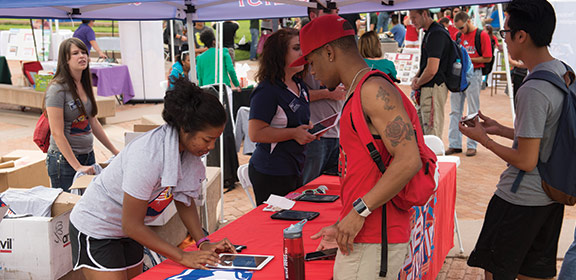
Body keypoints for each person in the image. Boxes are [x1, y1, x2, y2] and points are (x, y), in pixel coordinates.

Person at [292, 14, 421, 279]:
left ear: (329, 52)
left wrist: (358, 212)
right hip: (368, 236)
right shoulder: (360, 90)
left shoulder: (372, 90)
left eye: (311, 62)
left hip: (376, 238)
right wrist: (344, 222)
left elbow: (409, 160)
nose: (311, 72)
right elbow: (367, 170)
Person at [69, 77, 237, 279]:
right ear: (185, 128)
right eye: (207, 139)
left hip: (128, 230)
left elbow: (184, 200)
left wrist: (203, 242)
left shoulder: (187, 152)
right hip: (97, 227)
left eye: (215, 140)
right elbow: (132, 225)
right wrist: (182, 256)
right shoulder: (147, 155)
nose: (210, 147)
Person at [460, 0, 565, 278]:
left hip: (519, 200)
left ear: (522, 36)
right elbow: (547, 135)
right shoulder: (563, 72)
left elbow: (526, 160)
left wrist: (484, 139)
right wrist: (500, 129)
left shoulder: (533, 89)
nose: (502, 40)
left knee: (496, 272)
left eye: (504, 33)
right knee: (534, 273)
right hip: (550, 197)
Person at [248, 28, 316, 205]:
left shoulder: (299, 85)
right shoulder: (267, 91)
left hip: (295, 167)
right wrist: (294, 133)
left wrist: (307, 128)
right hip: (271, 171)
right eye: (296, 48)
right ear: (279, 53)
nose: (303, 53)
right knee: (275, 224)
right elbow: (255, 134)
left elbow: (295, 120)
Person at [44, 38, 119, 192]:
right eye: (75, 53)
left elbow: (93, 122)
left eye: (84, 52)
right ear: (65, 58)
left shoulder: (84, 84)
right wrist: (77, 166)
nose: (82, 56)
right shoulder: (57, 89)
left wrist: (115, 151)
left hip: (87, 156)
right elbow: (57, 133)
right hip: (64, 161)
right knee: (68, 209)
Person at [300, 1, 346, 185]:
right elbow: (294, 95)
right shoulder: (302, 49)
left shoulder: (340, 45)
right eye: (330, 10)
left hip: (338, 131)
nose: (336, 14)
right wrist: (328, 93)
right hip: (315, 133)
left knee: (334, 188)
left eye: (337, 10)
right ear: (313, 15)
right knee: (309, 187)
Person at [447, 12, 493, 157]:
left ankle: (472, 144)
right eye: (458, 28)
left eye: (461, 27)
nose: (460, 31)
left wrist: (468, 59)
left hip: (475, 73)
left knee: (473, 110)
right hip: (459, 75)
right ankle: (454, 144)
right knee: (455, 110)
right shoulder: (458, 36)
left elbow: (487, 57)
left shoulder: (482, 35)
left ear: (468, 21)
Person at [409, 9, 451, 138]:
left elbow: (432, 69)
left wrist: (418, 82)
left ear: (425, 14)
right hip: (429, 88)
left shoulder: (436, 34)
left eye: (414, 17)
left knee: (431, 132)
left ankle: (434, 157)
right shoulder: (431, 33)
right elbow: (427, 65)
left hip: (433, 88)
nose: (412, 21)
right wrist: (417, 78)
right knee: (425, 131)